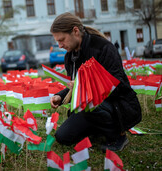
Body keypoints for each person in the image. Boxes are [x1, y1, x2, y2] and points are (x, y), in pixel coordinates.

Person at [50, 12, 141, 152]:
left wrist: (85, 85)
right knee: (63, 137)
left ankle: (118, 136)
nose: (60, 45)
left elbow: (118, 85)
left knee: (88, 102)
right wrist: (61, 96)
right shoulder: (70, 56)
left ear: (75, 31)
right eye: (57, 41)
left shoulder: (103, 47)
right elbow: (75, 86)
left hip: (118, 105)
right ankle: (98, 130)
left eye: (62, 40)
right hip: (89, 106)